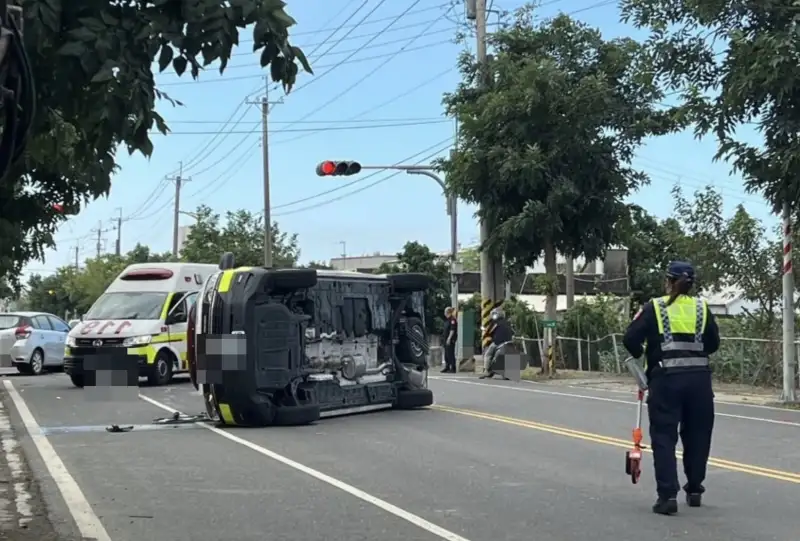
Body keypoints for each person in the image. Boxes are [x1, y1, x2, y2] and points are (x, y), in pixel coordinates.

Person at [622, 261, 720, 516]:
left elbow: (630, 338)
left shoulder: (655, 307)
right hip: (699, 381)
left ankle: (667, 497)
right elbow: (713, 343)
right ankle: (695, 489)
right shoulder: (702, 307)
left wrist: (645, 355)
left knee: (665, 437)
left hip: (666, 379)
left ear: (667, 281)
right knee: (698, 436)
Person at [480, 307, 513, 379]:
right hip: (509, 342)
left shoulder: (495, 323)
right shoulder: (508, 322)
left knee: (487, 354)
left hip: (498, 342)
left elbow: (489, 331)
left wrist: (485, 331)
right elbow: (512, 332)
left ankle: (487, 371)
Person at [441, 307, 458, 373]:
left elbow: (452, 330)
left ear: (448, 312)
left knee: (450, 353)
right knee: (446, 354)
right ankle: (447, 366)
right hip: (445, 339)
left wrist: (449, 338)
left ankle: (453, 368)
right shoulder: (447, 320)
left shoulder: (452, 320)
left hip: (450, 339)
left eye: (445, 311)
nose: (444, 313)